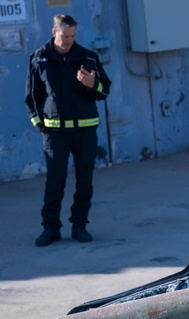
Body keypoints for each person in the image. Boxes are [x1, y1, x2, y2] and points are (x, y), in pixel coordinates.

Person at [25, 14, 111, 247]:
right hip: (54, 133)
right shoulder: (39, 58)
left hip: (85, 132)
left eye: (73, 36)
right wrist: (39, 124)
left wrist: (92, 84)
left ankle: (80, 226)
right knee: (55, 182)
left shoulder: (87, 57)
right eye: (65, 36)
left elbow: (105, 91)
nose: (69, 40)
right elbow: (32, 97)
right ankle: (50, 229)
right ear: (54, 33)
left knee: (85, 181)